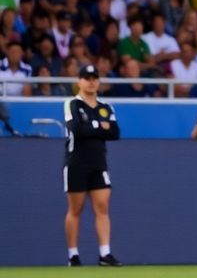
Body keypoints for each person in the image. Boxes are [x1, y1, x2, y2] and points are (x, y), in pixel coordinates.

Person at [63, 64, 122, 267]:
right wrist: (98, 126)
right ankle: (73, 255)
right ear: (79, 81)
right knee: (75, 209)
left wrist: (93, 127)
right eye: (87, 77)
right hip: (76, 163)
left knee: (102, 207)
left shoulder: (106, 107)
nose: (91, 81)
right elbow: (77, 130)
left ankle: (105, 253)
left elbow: (114, 133)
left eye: (94, 77)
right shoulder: (72, 104)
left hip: (99, 162)